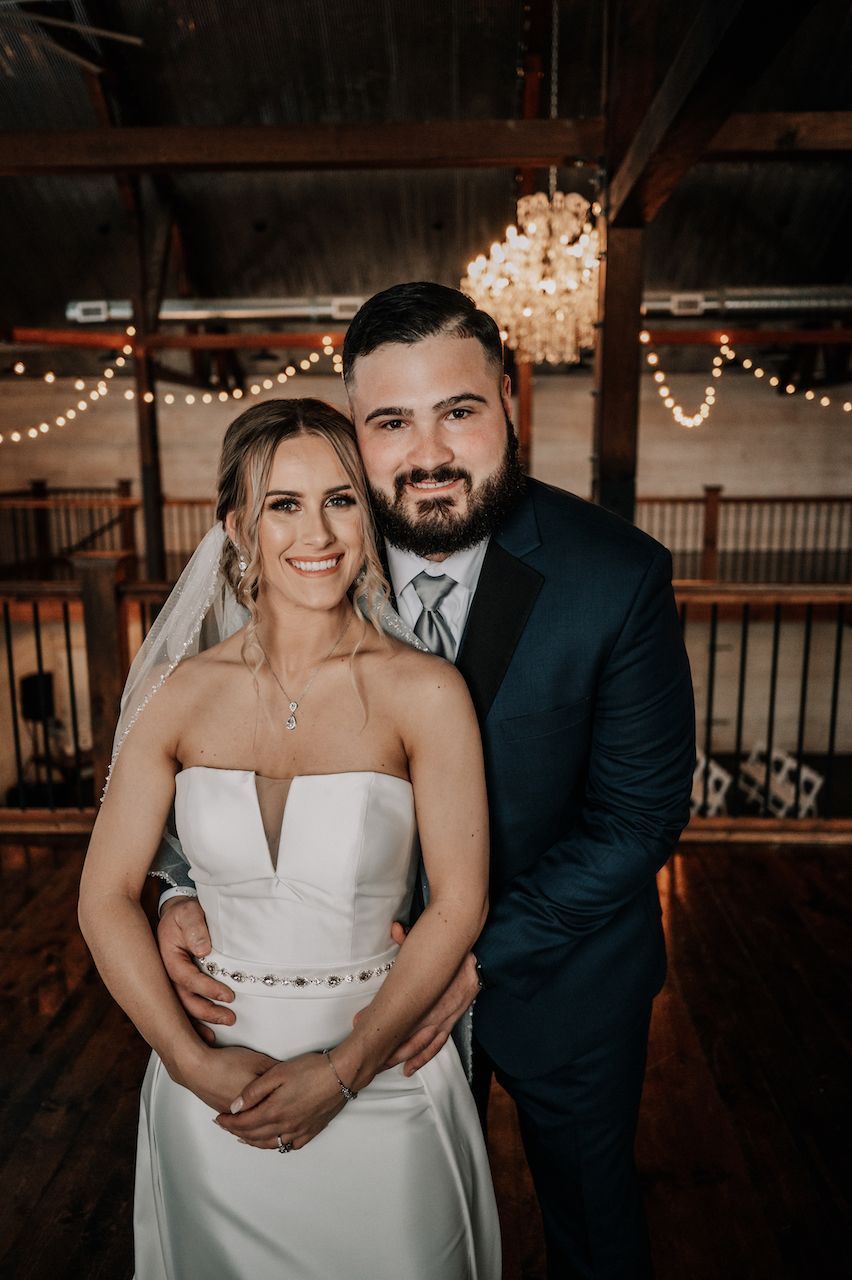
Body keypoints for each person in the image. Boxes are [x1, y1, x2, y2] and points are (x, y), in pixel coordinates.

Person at [157, 283, 696, 1278]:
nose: (429, 451)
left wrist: (473, 955)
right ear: (353, 433)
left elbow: (640, 816)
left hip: (563, 982)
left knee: (592, 1227)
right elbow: (217, 747)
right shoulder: (305, 558)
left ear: (509, 402)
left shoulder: (617, 578)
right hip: (343, 994)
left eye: (460, 409)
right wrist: (178, 885)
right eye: (391, 420)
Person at [78, 398, 501, 1280]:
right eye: (284, 503)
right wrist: (192, 1067)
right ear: (235, 525)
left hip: (382, 1071)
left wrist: (346, 1070)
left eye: (342, 500)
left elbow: (461, 901)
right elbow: (106, 897)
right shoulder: (175, 695)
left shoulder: (423, 693)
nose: (319, 532)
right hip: (213, 1103)